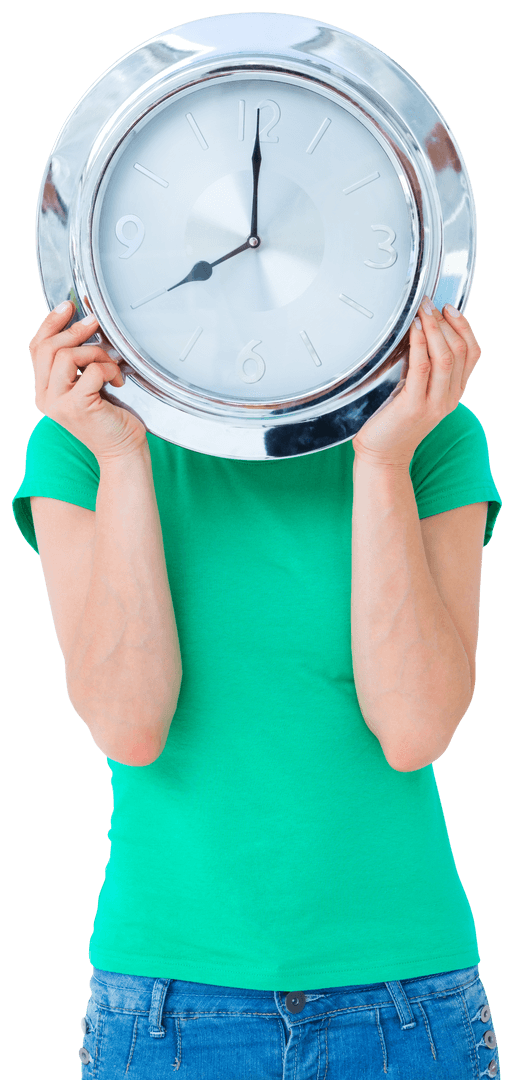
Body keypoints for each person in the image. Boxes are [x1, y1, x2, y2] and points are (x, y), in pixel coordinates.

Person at [12, 296, 502, 1078]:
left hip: (404, 1000)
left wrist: (382, 462)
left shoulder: (430, 435)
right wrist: (123, 455)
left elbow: (416, 730)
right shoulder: (77, 444)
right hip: (167, 1004)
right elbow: (130, 726)